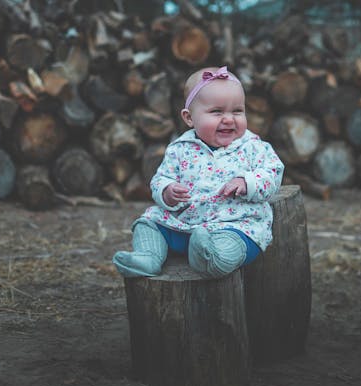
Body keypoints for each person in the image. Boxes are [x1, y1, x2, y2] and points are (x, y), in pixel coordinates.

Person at [113, 66, 284, 278]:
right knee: (149, 222)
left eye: (237, 111)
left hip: (234, 225)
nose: (229, 119)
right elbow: (160, 179)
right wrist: (167, 191)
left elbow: (273, 172)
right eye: (217, 112)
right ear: (189, 118)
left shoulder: (253, 146)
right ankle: (148, 257)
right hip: (185, 224)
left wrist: (247, 181)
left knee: (235, 244)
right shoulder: (180, 149)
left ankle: (212, 259)